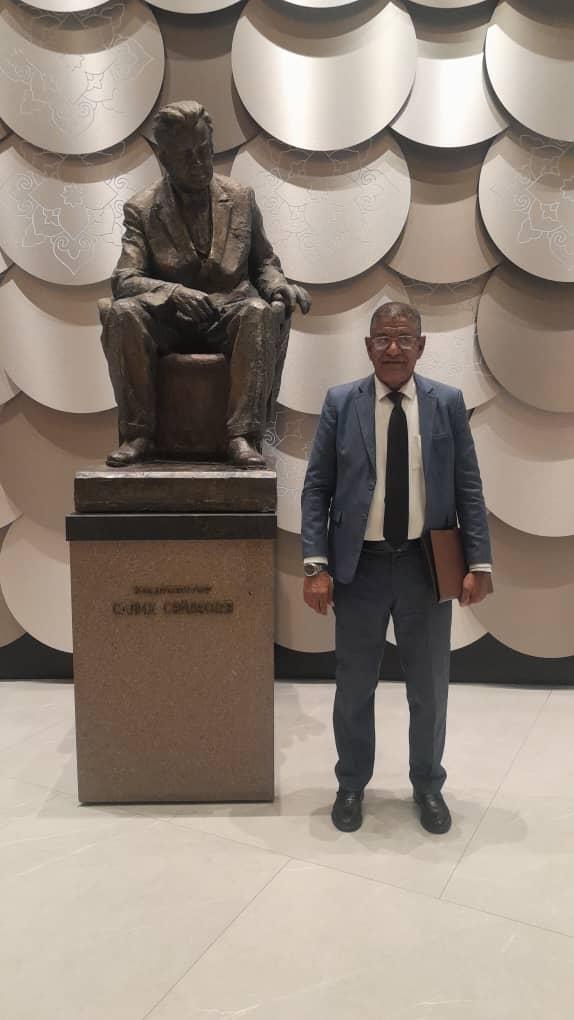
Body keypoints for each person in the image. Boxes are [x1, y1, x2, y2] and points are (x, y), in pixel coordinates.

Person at [301, 301, 492, 835]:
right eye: (383, 338)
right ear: (368, 347)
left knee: (429, 689)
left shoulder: (446, 403)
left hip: (424, 568)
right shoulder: (341, 403)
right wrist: (315, 566)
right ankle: (350, 784)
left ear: (420, 346)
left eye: (404, 339)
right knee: (354, 686)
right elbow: (316, 488)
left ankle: (428, 785)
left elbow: (468, 487)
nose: (393, 348)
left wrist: (478, 563)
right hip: (358, 569)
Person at [101, 100, 310, 468]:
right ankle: (138, 433)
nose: (198, 163)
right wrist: (173, 293)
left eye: (204, 151)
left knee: (257, 311)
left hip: (226, 315)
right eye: (186, 157)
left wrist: (278, 285)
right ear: (165, 159)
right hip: (169, 322)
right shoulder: (142, 209)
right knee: (122, 313)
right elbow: (124, 279)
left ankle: (242, 435)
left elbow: (263, 261)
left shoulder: (241, 198)